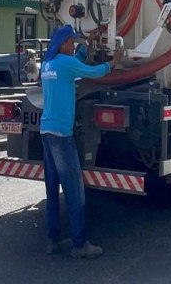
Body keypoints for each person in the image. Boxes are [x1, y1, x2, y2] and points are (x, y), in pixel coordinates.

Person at [40, 25, 124, 259]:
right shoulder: (65, 64)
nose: (74, 45)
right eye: (72, 42)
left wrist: (86, 47)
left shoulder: (48, 65)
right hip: (61, 136)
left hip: (45, 132)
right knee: (75, 191)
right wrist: (113, 62)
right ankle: (79, 245)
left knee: (52, 189)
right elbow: (92, 73)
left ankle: (53, 240)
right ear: (64, 43)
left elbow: (74, 66)